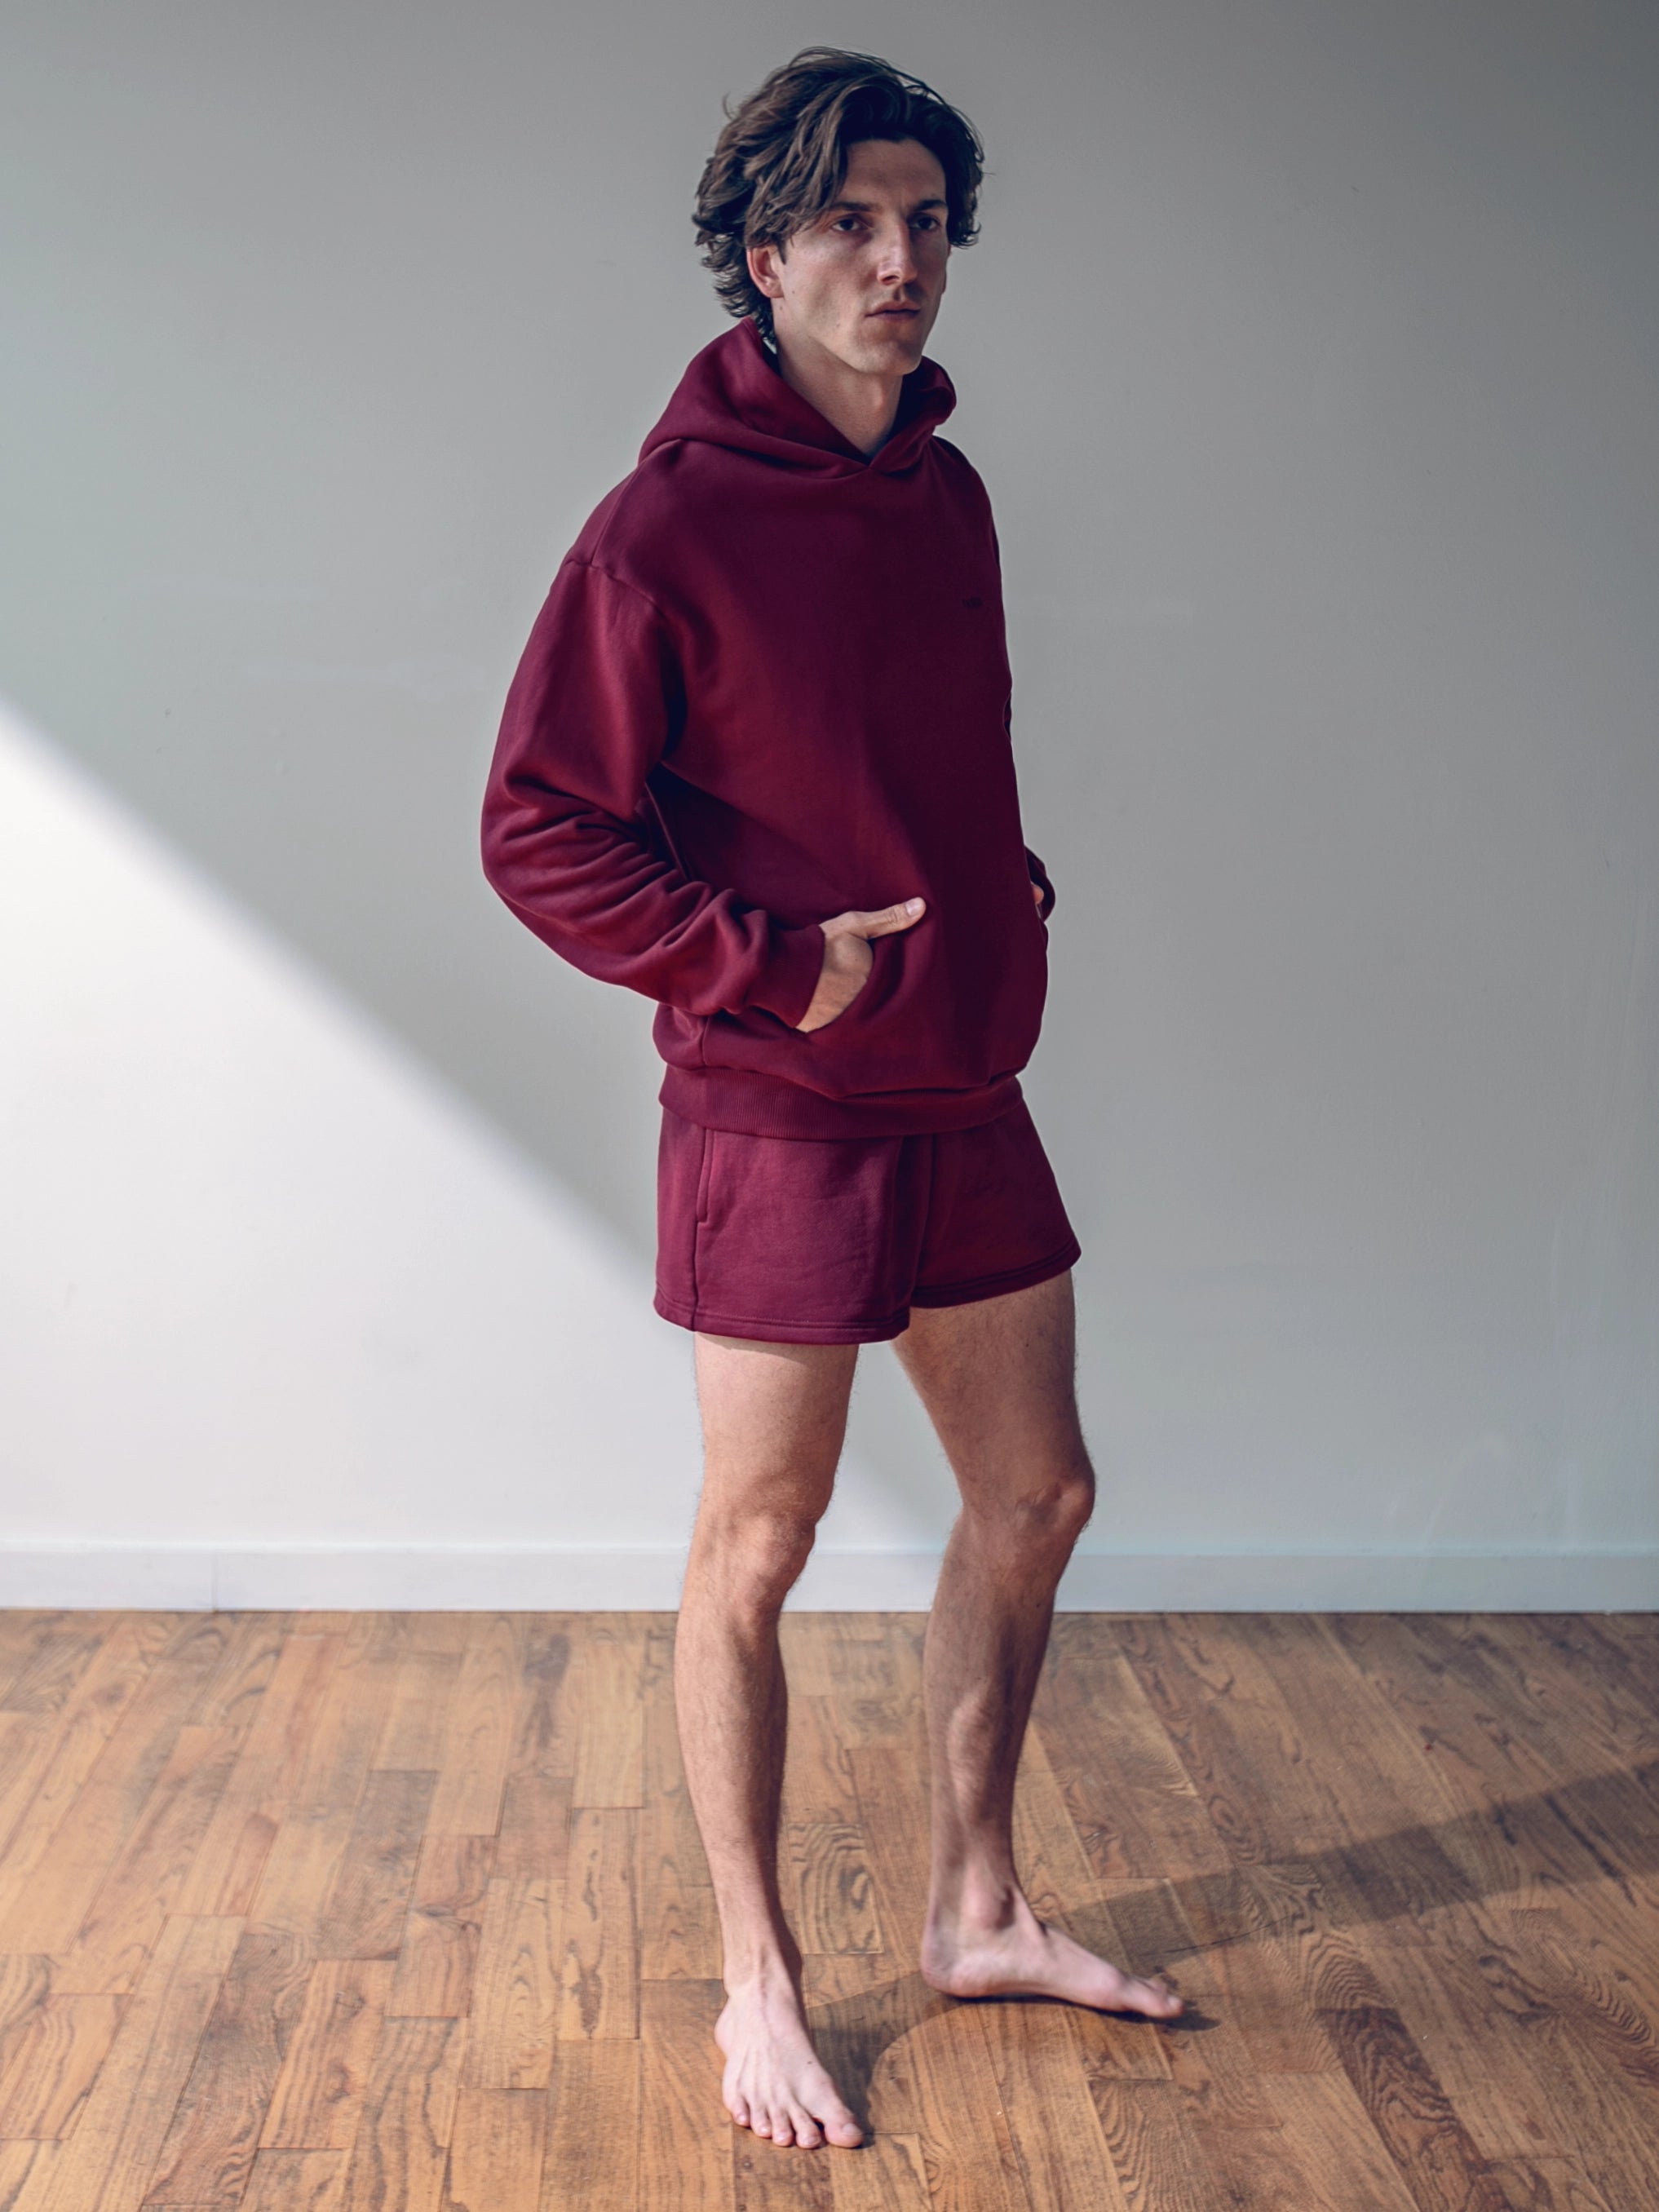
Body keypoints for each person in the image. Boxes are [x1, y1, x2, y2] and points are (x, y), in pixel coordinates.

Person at [480, 44, 1183, 2153]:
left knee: (1039, 1496)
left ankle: (976, 1909)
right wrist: (773, 969)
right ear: (760, 259)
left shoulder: (941, 490)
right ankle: (757, 1986)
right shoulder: (665, 527)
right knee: (760, 1543)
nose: (899, 262)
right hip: (775, 1109)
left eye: (926, 223)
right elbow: (539, 831)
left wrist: (1002, 916)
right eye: (852, 227)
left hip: (963, 1084)